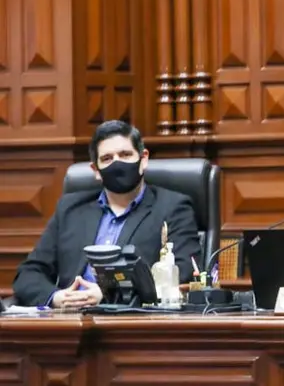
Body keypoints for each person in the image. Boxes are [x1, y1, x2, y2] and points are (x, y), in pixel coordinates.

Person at [13, 120, 202, 308]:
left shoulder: (173, 208)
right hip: (69, 321)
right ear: (96, 170)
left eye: (125, 155)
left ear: (143, 159)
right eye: (107, 159)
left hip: (131, 324)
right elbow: (29, 273)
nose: (117, 163)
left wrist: (107, 294)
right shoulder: (70, 209)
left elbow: (183, 273)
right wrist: (56, 297)